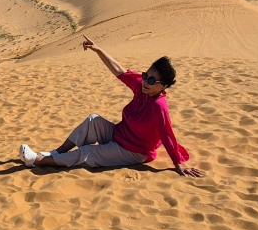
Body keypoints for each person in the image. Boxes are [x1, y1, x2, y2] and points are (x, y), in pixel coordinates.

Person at [19, 35, 203, 177]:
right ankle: (56, 153)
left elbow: (167, 136)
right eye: (146, 75)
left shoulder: (159, 107)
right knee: (93, 120)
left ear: (163, 86)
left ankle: (38, 160)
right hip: (118, 134)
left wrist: (179, 165)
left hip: (133, 151)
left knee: (89, 152)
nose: (146, 81)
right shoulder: (141, 86)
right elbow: (120, 71)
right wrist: (98, 50)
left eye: (152, 79)